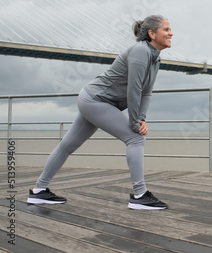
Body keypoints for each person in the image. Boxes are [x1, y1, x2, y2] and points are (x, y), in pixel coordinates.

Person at [27, 15, 172, 210]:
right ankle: (139, 195)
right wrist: (134, 123)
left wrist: (141, 118)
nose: (171, 33)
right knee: (135, 138)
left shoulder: (155, 58)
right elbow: (133, 90)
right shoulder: (140, 51)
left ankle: (38, 191)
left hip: (97, 102)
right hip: (95, 100)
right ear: (151, 33)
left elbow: (146, 91)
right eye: (166, 29)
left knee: (68, 145)